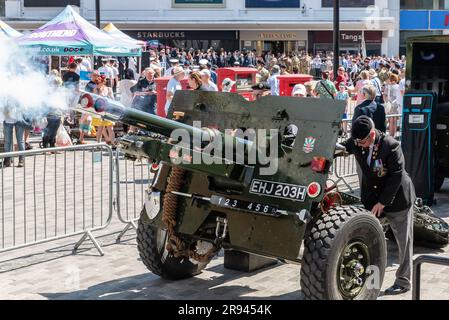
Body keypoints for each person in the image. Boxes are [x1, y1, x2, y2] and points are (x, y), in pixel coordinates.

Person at [341, 116, 415, 295]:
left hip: (397, 200)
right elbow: (342, 147)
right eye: (357, 141)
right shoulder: (358, 142)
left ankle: (403, 282)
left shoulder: (391, 145)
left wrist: (383, 202)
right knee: (368, 238)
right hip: (372, 200)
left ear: (372, 135)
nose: (360, 145)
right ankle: (367, 277)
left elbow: (396, 176)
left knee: (403, 242)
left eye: (363, 141)